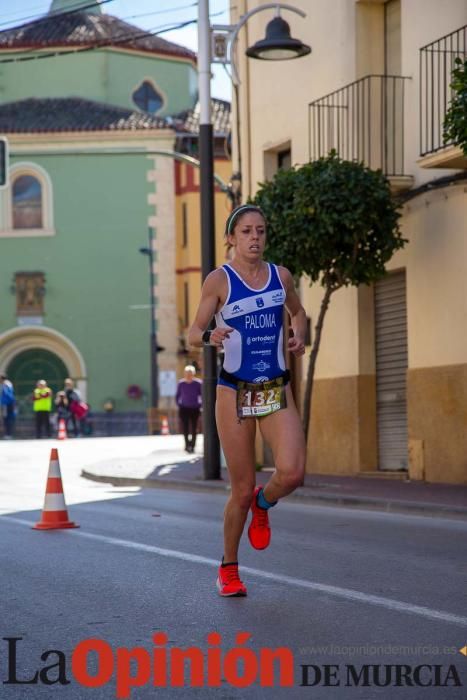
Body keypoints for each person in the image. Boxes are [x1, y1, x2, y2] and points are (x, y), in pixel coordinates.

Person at [188, 204, 307, 597]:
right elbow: (192, 333)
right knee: (239, 488)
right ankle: (228, 567)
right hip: (234, 392)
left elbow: (298, 312)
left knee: (291, 474)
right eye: (246, 231)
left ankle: (265, 503)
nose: (254, 237)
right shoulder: (218, 281)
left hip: (275, 388)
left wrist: (298, 334)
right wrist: (210, 337)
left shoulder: (280, 277)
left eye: (260, 231)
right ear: (232, 238)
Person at [176, 365, 202, 453]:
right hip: (184, 408)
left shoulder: (198, 383)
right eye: (187, 373)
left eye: (190, 373)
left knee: (194, 428)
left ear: (193, 374)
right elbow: (177, 396)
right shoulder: (181, 383)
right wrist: (179, 404)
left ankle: (193, 445)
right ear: (184, 374)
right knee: (185, 428)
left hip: (195, 408)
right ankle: (187, 445)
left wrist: (200, 405)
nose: (188, 375)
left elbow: (202, 395)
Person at [1, 373, 16, 439]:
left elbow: (8, 394)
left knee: (7, 419)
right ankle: (8, 434)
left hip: (7, 404)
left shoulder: (5, 384)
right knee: (7, 419)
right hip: (8, 404)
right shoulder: (7, 384)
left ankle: (8, 434)